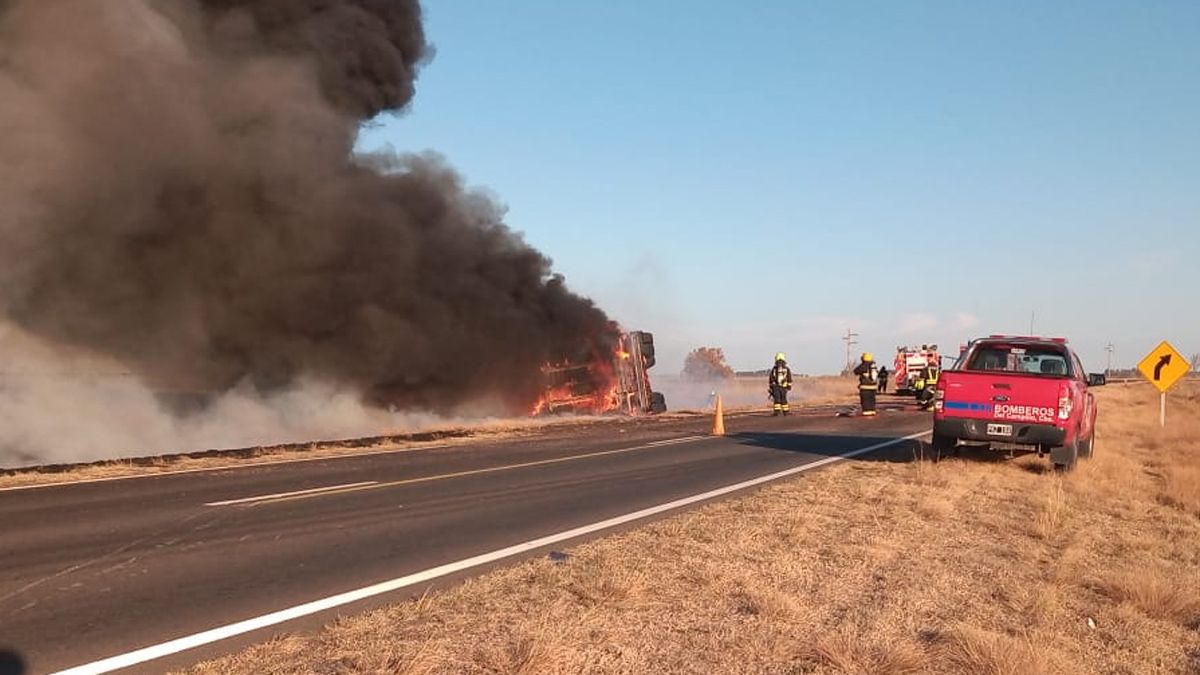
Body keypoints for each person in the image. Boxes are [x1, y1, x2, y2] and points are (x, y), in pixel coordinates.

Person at [853, 352, 879, 416]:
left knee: (865, 400)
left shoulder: (864, 365)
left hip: (865, 387)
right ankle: (872, 410)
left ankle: (867, 411)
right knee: (872, 399)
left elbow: (855, 371)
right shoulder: (874, 366)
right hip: (873, 387)